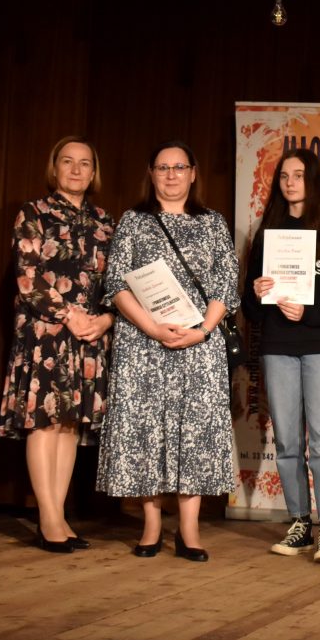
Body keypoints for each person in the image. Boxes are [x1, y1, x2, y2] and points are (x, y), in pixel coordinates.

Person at [97, 140, 239, 562]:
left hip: (199, 345)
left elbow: (226, 284)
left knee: (194, 431)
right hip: (142, 344)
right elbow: (116, 284)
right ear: (151, 174)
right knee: (145, 429)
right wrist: (152, 328)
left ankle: (189, 529)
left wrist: (203, 331)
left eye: (179, 167)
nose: (171, 174)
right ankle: (151, 525)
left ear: (193, 173)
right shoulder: (133, 221)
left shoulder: (213, 223)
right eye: (163, 167)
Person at [242, 148, 320, 564]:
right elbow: (251, 307)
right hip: (278, 344)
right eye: (284, 176)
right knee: (287, 440)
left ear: (313, 180)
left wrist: (308, 312)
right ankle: (299, 522)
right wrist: (257, 293)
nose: (290, 182)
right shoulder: (268, 234)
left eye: (298, 175)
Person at [0, 136, 115, 553]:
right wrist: (70, 315)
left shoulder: (105, 221)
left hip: (88, 338)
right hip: (44, 335)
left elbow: (116, 284)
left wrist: (105, 319)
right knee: (44, 423)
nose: (76, 169)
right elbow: (28, 278)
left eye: (85, 163)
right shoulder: (34, 212)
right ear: (55, 167)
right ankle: (47, 517)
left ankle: (59, 514)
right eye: (68, 161)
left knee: (68, 426)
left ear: (94, 171)